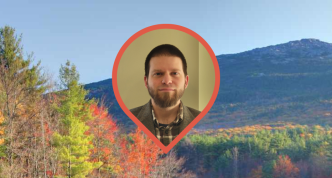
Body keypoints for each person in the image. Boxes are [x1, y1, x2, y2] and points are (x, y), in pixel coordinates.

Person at [130, 44, 201, 146]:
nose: (167, 81)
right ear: (146, 81)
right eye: (158, 74)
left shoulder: (199, 118)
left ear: (186, 81)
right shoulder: (129, 119)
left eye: (175, 73)